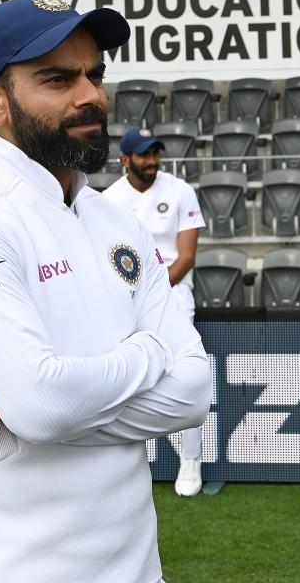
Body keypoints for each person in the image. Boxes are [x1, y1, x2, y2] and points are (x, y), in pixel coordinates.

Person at [0, 0, 211, 583]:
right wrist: (147, 352)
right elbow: (42, 404)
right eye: (57, 78)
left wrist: (51, 389)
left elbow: (191, 395)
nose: (90, 94)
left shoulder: (116, 220)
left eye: (95, 73)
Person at [102, 127, 207, 497]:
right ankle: (131, 463)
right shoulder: (108, 199)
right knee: (128, 377)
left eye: (155, 154)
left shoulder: (179, 190)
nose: (152, 162)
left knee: (189, 375)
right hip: (126, 303)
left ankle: (190, 461)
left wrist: (155, 293)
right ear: (125, 160)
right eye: (144, 155)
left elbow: (188, 256)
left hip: (176, 298)